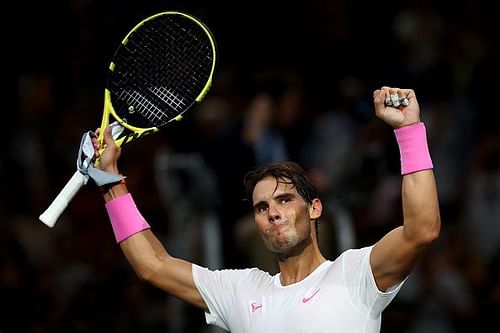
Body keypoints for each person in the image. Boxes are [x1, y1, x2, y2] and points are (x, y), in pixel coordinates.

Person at [92, 86, 441, 332]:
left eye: (285, 199)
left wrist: (409, 130)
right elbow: (153, 266)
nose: (272, 211)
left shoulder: (354, 274)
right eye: (261, 207)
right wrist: (110, 179)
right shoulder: (242, 290)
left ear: (315, 208)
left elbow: (422, 229)